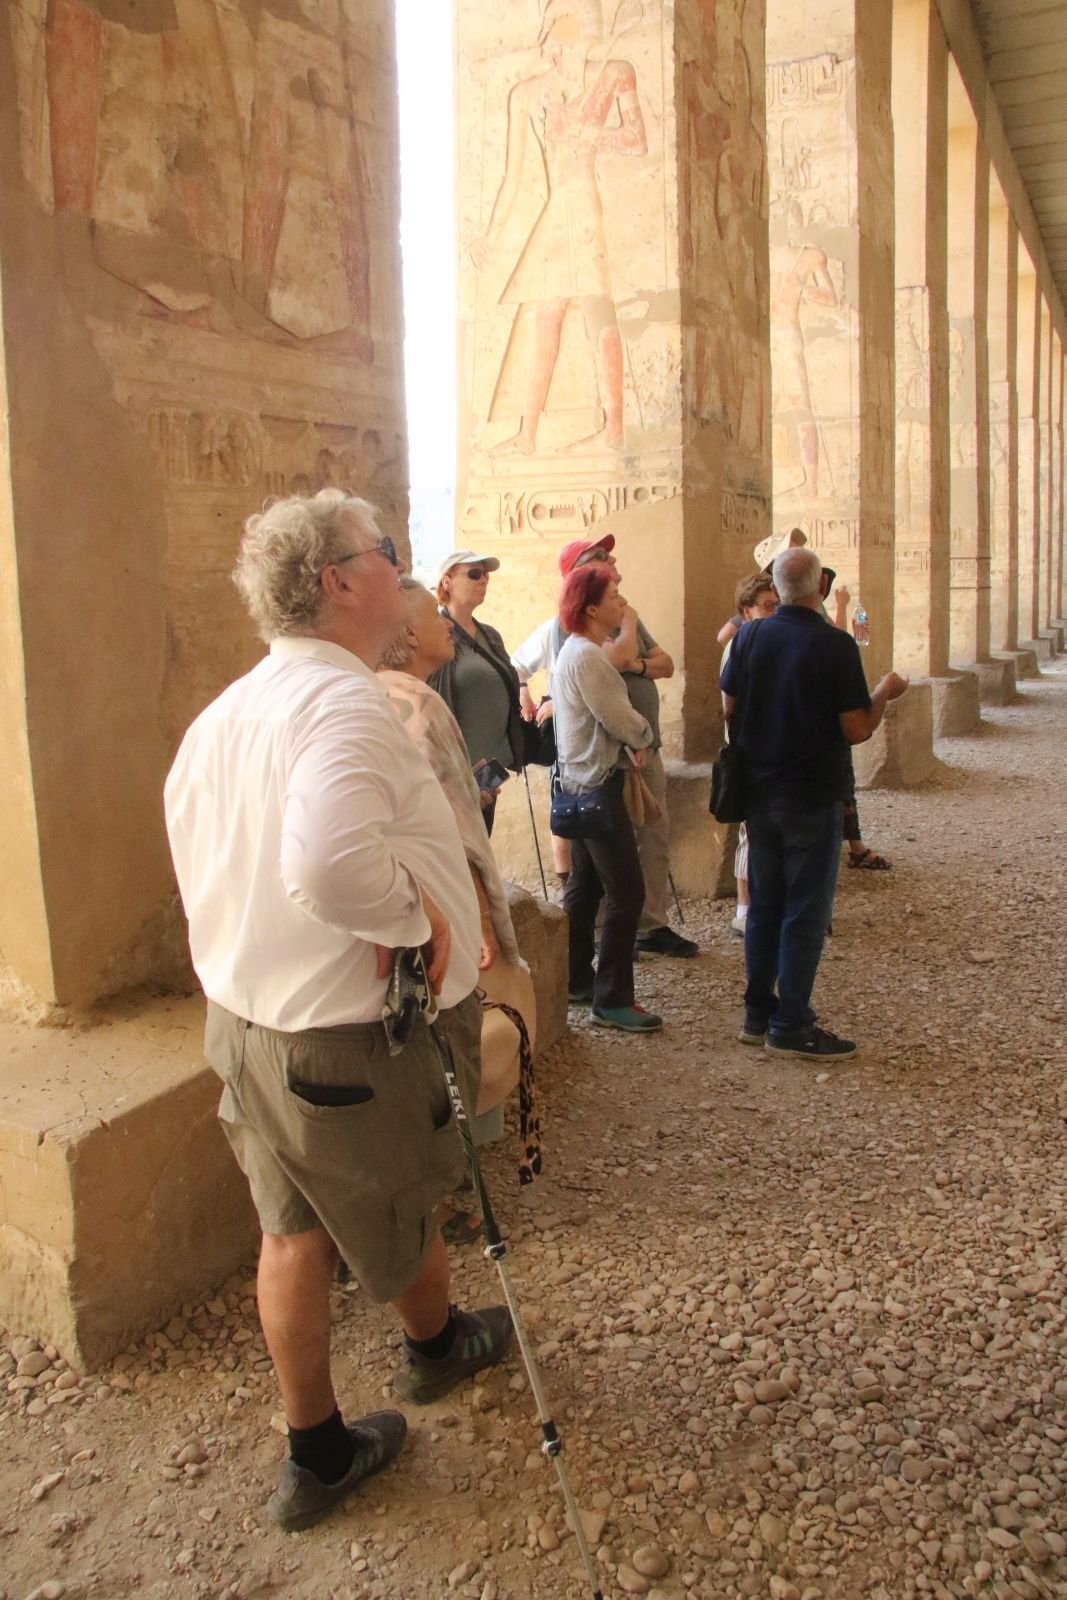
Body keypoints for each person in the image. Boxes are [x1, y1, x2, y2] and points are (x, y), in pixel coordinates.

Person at [164, 491, 513, 1535]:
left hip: (252, 1026)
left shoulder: (226, 713)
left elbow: (206, 856)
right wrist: (413, 918)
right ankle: (435, 1346)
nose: (399, 569)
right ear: (338, 580)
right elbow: (322, 864)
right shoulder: (344, 703)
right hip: (348, 1038)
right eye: (383, 551)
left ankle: (315, 1449)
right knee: (400, 1200)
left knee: (291, 1230)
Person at [378, 575, 541, 1233]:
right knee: (443, 1047)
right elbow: (453, 833)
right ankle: (432, 1199)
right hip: (434, 906)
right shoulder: (417, 704)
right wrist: (479, 917)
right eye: (432, 615)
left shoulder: (375, 694)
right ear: (405, 632)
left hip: (401, 907)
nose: (446, 623)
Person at [720, 546, 908, 1059]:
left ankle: (757, 1014)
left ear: (778, 588)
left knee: (764, 905)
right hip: (813, 794)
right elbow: (856, 728)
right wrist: (885, 691)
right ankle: (791, 1024)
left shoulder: (749, 636)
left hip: (759, 792)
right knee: (805, 910)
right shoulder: (835, 645)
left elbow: (730, 705)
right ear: (820, 587)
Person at [512, 533, 698, 958]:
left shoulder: (604, 623)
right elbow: (614, 663)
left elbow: (664, 664)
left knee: (650, 836)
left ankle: (645, 928)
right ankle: (608, 950)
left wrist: (638, 662)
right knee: (607, 870)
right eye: (600, 558)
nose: (612, 562)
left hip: (635, 754)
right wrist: (629, 623)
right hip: (603, 762)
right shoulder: (577, 637)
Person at [553, 563, 661, 1033]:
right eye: (614, 596)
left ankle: (575, 978)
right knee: (626, 891)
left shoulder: (578, 651)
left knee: (585, 887)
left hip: (579, 784)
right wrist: (643, 735)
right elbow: (619, 716)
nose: (621, 602)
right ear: (592, 608)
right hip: (597, 785)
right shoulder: (589, 658)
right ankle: (612, 998)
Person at [430, 550, 526, 836]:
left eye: (486, 574)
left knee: (480, 849)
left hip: (488, 773)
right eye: (474, 573)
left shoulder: (490, 635)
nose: (483, 579)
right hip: (455, 774)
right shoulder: (436, 634)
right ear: (447, 582)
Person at [721, 573, 780, 938]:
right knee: (750, 833)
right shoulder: (739, 645)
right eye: (767, 607)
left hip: (766, 748)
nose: (774, 613)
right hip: (747, 750)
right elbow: (730, 705)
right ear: (747, 610)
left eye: (777, 606)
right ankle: (744, 907)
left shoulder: (768, 641)